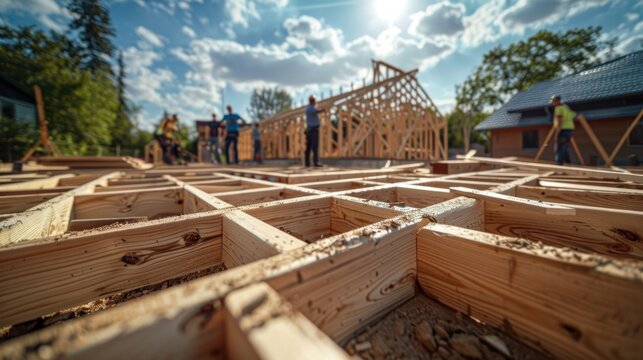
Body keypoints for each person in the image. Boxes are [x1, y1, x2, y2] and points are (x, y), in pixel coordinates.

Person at [550, 95, 576, 165]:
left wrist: (557, 133)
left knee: (559, 148)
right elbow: (573, 115)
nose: (552, 103)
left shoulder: (558, 108)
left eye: (553, 102)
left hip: (562, 129)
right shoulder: (566, 107)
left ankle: (559, 165)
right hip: (569, 129)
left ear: (557, 101)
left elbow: (559, 121)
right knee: (565, 147)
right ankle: (569, 164)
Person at [305, 95, 325, 167]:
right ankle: (315, 162)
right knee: (314, 146)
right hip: (313, 130)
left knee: (309, 147)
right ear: (312, 101)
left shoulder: (309, 108)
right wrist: (323, 110)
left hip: (311, 130)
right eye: (314, 100)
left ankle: (308, 163)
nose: (315, 102)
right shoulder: (310, 109)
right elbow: (316, 111)